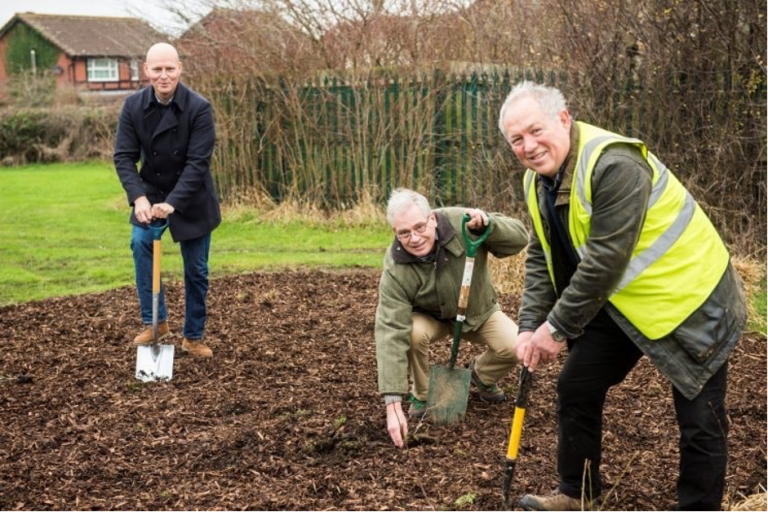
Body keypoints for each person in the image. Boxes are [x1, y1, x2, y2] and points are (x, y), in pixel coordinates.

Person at [498, 81, 747, 511]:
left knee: (700, 419)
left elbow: (603, 263)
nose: (529, 146)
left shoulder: (613, 164)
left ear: (564, 118)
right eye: (516, 139)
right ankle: (578, 494)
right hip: (624, 300)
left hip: (691, 298)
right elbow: (542, 254)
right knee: (575, 384)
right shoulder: (538, 181)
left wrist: (555, 330)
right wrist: (526, 326)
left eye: (535, 131)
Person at [375, 188, 528, 448]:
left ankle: (479, 376)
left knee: (516, 347)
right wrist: (392, 401)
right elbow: (390, 327)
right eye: (404, 232)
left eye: (420, 226)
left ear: (432, 218)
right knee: (410, 332)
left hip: (478, 312)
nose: (414, 238)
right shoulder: (396, 265)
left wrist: (490, 227)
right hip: (432, 318)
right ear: (395, 232)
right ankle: (423, 396)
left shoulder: (463, 222)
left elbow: (520, 238)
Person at [114, 42, 220, 358]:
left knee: (196, 270)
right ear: (146, 70)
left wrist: (173, 202)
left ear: (179, 69)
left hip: (192, 197)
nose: (164, 76)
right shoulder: (133, 107)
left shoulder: (199, 108)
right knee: (140, 244)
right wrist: (139, 198)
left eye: (169, 69)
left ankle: (193, 336)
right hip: (151, 193)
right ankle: (155, 321)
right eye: (157, 69)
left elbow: (198, 163)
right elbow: (123, 157)